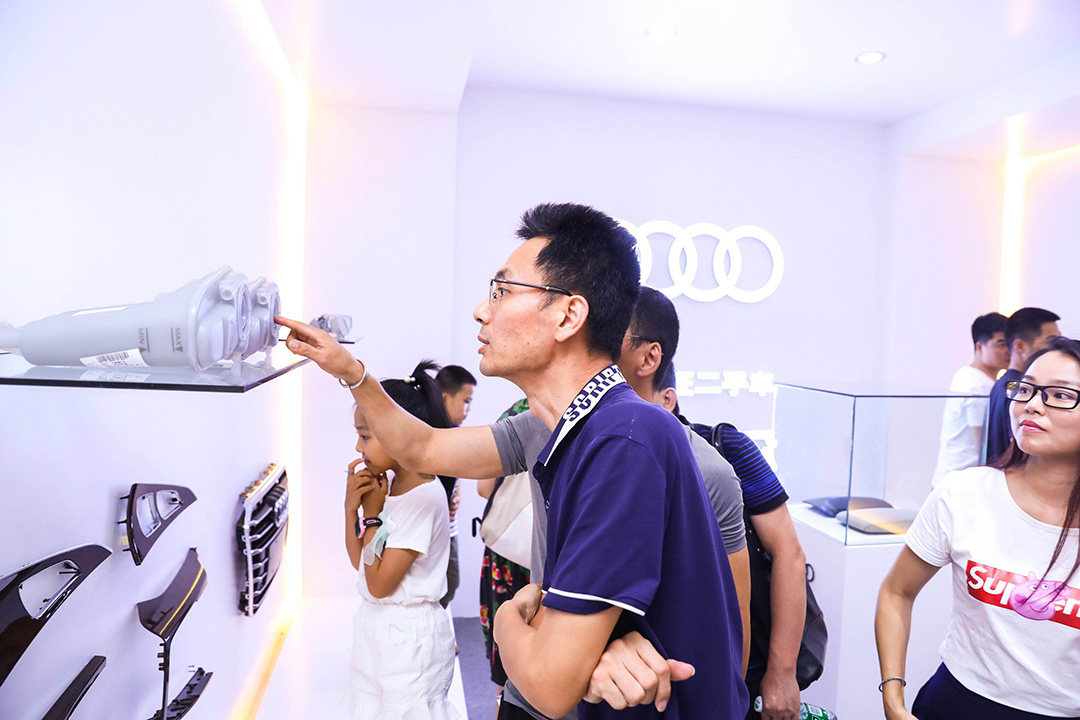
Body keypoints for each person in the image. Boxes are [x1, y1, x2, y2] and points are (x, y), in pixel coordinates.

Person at [277, 202, 747, 719]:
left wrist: (509, 619)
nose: (482, 310)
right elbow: (423, 447)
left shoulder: (623, 438)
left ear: (568, 315)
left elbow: (549, 682)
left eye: (502, 291)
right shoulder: (562, 425)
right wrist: (350, 371)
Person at [876, 335, 1080, 719]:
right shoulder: (965, 492)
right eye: (1026, 389)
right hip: (954, 702)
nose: (1032, 405)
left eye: (1060, 395)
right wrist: (892, 697)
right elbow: (896, 591)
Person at [616, 286, 751, 672]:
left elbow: (734, 611)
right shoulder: (577, 444)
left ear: (648, 357)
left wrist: (735, 693)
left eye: (609, 333)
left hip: (681, 673)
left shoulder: (710, 470)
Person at [343, 360, 459, 720]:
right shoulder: (391, 486)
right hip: (383, 635)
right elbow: (363, 566)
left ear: (397, 433)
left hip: (409, 642)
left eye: (365, 436)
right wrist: (351, 510)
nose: (358, 447)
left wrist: (372, 516)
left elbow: (379, 585)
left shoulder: (421, 497)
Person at [478, 399, 538, 707]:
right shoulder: (587, 411)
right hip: (547, 561)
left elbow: (483, 488)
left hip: (503, 555)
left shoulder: (514, 414)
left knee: (506, 673)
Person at [931, 313, 1009, 485]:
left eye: (1009, 343)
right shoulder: (978, 385)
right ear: (980, 347)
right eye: (1001, 344)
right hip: (961, 482)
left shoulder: (966, 374)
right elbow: (983, 442)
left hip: (952, 478)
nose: (1008, 351)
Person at [984, 308, 1061, 464]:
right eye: (1051, 340)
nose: (1058, 347)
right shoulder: (1019, 389)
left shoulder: (1003, 383)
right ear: (1019, 346)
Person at [435, 364, 478, 609]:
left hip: (449, 528)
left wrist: (457, 495)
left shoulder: (456, 432)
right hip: (436, 528)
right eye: (466, 401)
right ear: (444, 398)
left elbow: (456, 474)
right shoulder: (431, 433)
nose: (468, 408)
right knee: (442, 585)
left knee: (450, 584)